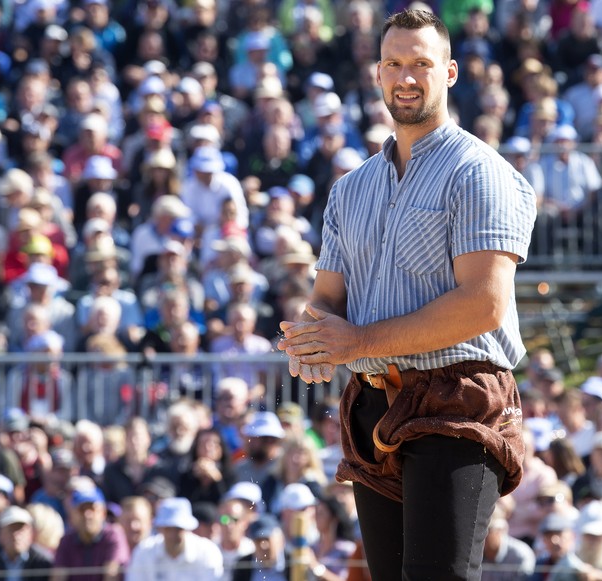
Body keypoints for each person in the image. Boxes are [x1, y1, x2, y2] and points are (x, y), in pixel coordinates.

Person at [277, 9, 536, 581]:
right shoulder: (350, 189)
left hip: (457, 398)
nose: (406, 76)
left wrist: (357, 340)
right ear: (376, 75)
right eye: (394, 63)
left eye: (421, 62)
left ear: (449, 72)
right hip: (373, 399)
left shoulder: (479, 172)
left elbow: (484, 304)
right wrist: (310, 337)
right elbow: (326, 300)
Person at [125, 497, 223, 581]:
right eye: (168, 528)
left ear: (188, 528)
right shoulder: (144, 551)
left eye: (178, 529)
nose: (173, 534)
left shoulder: (208, 552)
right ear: (160, 528)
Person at [0, 506, 53, 579]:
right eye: (11, 530)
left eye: (21, 530)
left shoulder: (41, 561)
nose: (16, 536)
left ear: (31, 534)